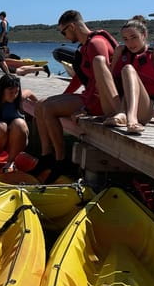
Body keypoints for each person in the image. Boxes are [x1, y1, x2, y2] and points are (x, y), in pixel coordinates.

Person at [31, 10, 117, 182]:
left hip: (102, 101)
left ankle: (60, 161)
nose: (64, 37)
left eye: (64, 32)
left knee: (49, 108)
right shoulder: (86, 46)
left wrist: (85, 108)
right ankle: (46, 156)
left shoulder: (96, 44)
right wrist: (62, 97)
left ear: (72, 27)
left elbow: (103, 80)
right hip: (90, 96)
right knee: (41, 105)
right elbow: (80, 77)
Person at [93, 15, 154, 134]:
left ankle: (131, 119)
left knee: (128, 69)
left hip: (142, 110)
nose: (130, 43)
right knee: (98, 60)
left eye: (134, 37)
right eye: (125, 39)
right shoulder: (120, 51)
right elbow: (109, 81)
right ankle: (120, 114)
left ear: (144, 35)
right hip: (117, 104)